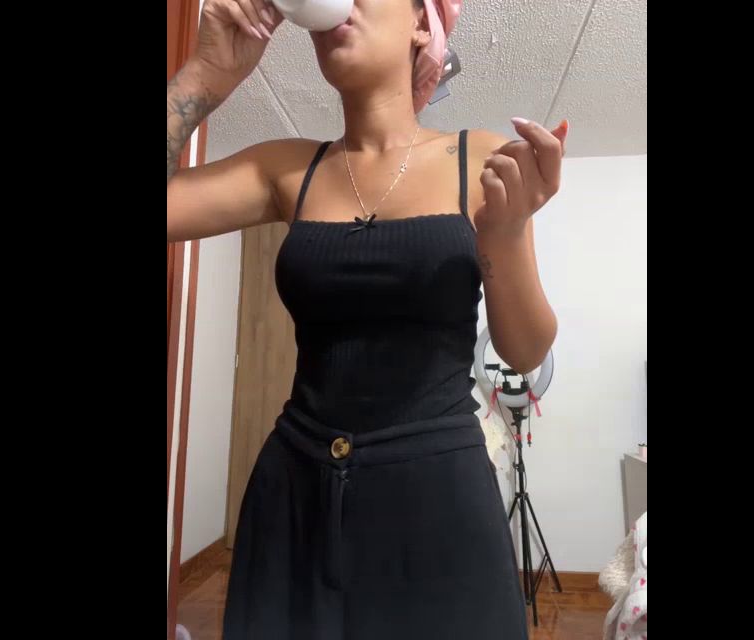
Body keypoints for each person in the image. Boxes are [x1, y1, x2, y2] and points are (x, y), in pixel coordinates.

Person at [167, 0, 566, 637]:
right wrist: (205, 75)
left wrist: (507, 232)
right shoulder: (286, 169)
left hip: (439, 507)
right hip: (293, 498)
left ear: (421, 22)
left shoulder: (480, 158)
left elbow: (524, 352)